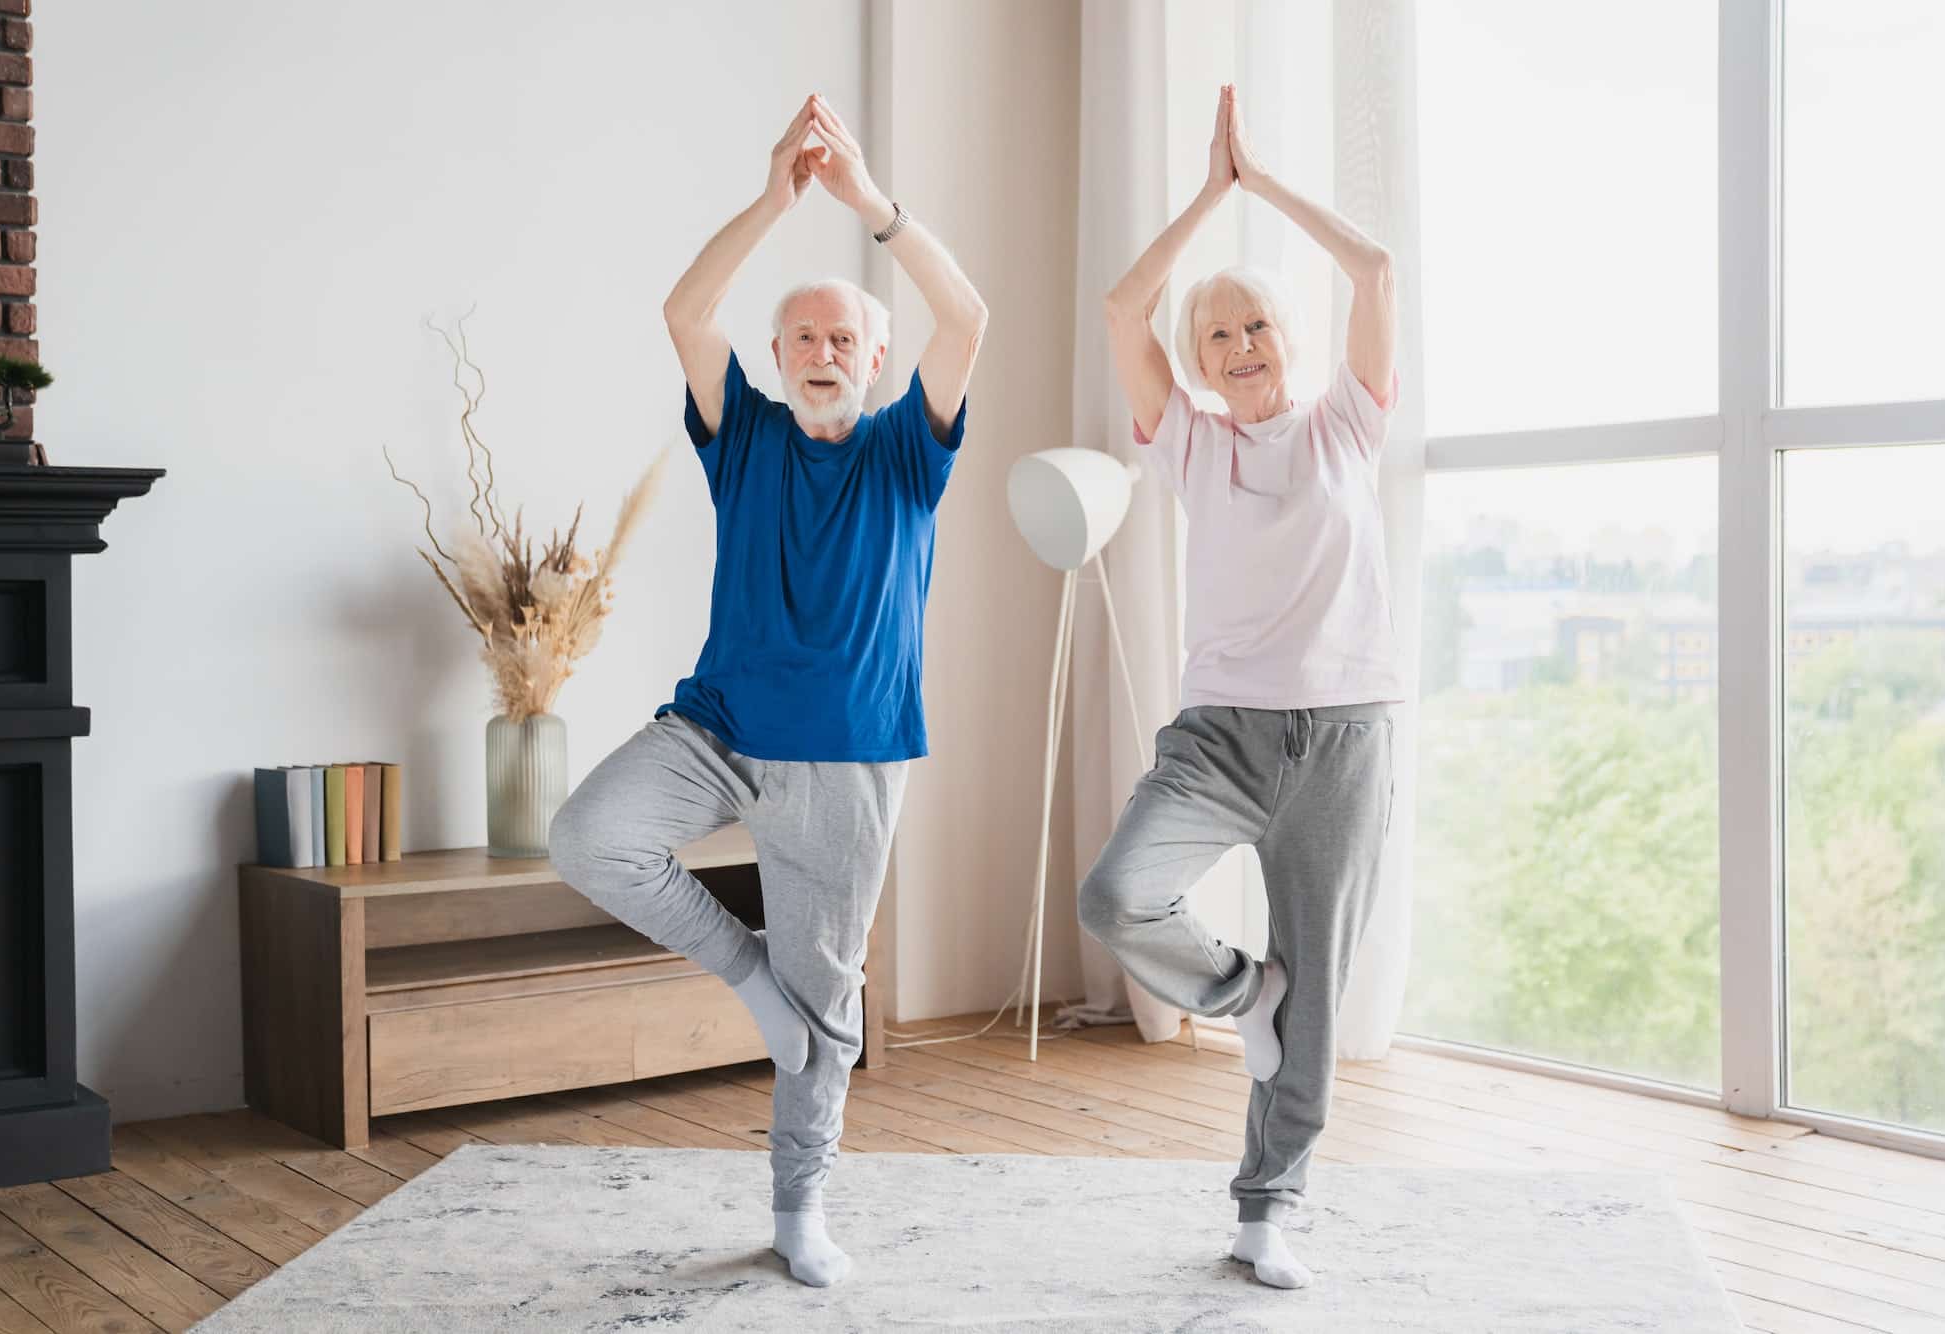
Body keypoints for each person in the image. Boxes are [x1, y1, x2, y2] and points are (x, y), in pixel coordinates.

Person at [547, 92, 985, 1289]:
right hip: (719, 725)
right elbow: (686, 311)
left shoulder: (908, 448)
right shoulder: (738, 434)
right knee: (586, 834)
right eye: (802, 338)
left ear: (877, 360)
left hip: (848, 756)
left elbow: (971, 312)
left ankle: (800, 1207)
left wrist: (868, 206)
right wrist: (775, 199)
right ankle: (750, 978)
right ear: (778, 358)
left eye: (845, 339)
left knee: (825, 1014)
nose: (824, 354)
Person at [1077, 83, 1401, 1292]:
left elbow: (1374, 270)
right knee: (1115, 895)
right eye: (1218, 335)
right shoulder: (1188, 443)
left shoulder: (1343, 430)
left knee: (1318, 977)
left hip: (1344, 735)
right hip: (1216, 736)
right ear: (1198, 365)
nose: (1241, 347)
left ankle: (1267, 1204)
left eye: (1257, 325)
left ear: (1288, 340)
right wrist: (1203, 200)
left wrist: (1259, 186)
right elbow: (1121, 305)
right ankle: (1231, 987)